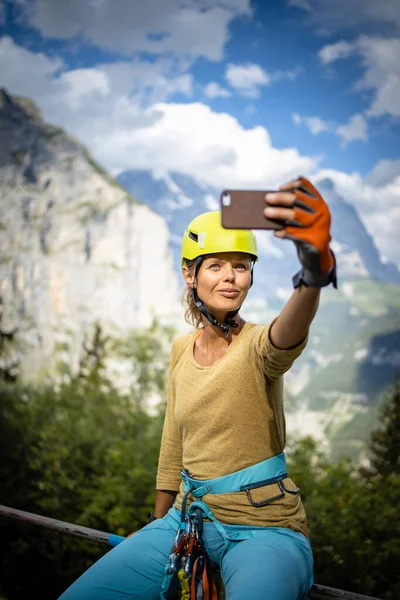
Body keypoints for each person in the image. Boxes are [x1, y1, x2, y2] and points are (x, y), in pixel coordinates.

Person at [58, 175, 337, 600]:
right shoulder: (180, 350)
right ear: (190, 274)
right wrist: (157, 523)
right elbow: (173, 444)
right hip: (185, 523)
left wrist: (314, 272)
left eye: (241, 266)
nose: (231, 278)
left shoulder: (258, 346)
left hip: (264, 531)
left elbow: (288, 333)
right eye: (216, 265)